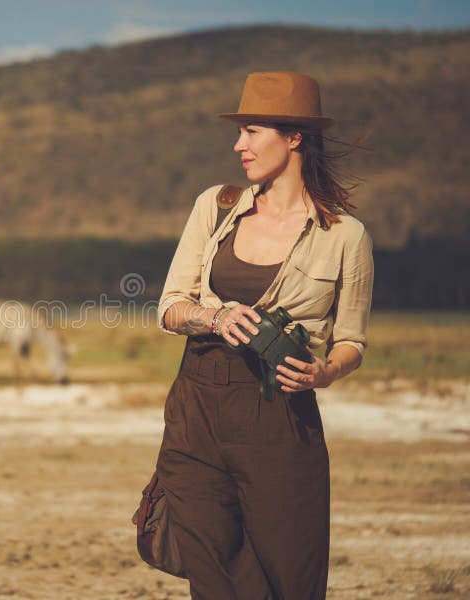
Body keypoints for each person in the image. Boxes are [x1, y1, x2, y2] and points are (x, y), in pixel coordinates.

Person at [154, 71, 374, 599]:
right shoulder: (217, 205)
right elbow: (169, 307)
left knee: (288, 580)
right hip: (195, 413)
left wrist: (325, 372)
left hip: (280, 422)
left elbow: (352, 342)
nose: (239, 145)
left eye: (252, 131)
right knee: (214, 574)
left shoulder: (346, 236)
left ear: (294, 136)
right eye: (240, 132)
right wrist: (214, 318)